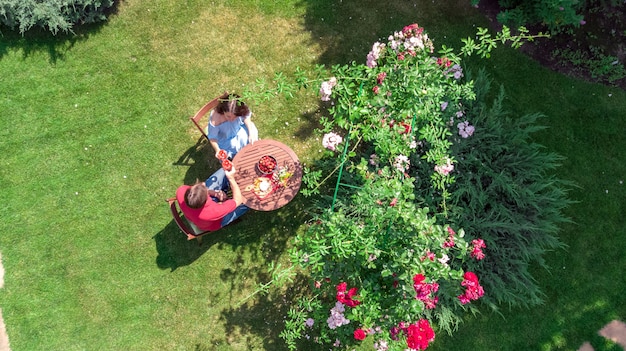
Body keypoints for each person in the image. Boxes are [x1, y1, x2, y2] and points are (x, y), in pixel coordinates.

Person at [176, 165, 248, 231]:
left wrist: (215, 194)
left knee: (224, 170)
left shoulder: (181, 191)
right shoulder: (212, 212)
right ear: (205, 199)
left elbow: (202, 190)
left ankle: (225, 188)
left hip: (196, 215)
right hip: (216, 222)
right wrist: (231, 178)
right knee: (246, 203)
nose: (204, 183)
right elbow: (238, 200)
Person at [207, 92, 259, 160]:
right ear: (223, 110)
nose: (231, 119)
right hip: (226, 139)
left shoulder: (238, 107)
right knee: (235, 149)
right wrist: (217, 150)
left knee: (251, 136)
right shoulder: (215, 119)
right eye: (228, 116)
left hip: (239, 130)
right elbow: (212, 137)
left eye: (235, 117)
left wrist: (250, 133)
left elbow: (246, 116)